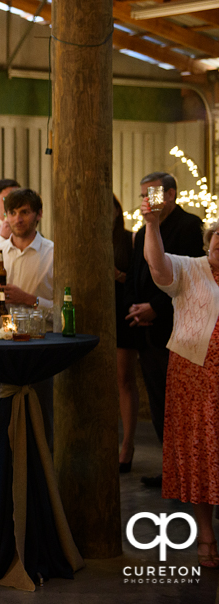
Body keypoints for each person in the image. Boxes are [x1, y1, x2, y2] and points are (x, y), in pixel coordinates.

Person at [139, 198, 219, 569]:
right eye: (217, 241)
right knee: (202, 457)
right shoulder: (191, 269)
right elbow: (157, 265)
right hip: (195, 379)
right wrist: (152, 225)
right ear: (208, 244)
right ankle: (205, 537)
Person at [124, 172, 205, 488]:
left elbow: (189, 278)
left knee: (181, 405)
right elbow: (134, 274)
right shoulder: (144, 229)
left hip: (176, 327)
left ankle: (189, 470)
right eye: (143, 195)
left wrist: (155, 307)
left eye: (153, 195)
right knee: (159, 404)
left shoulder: (190, 226)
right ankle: (170, 466)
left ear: (171, 194)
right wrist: (134, 307)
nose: (148, 201)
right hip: (146, 330)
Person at [0, 188, 54, 446]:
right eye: (13, 213)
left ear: (38, 214)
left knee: (40, 426)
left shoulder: (53, 253)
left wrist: (29, 299)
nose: (18, 219)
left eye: (25, 212)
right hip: (0, 347)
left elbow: (65, 308)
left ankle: (41, 481)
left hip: (39, 349)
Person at [113, 195, 139, 473]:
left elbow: (138, 279)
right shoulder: (85, 239)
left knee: (124, 380)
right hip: (95, 312)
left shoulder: (130, 239)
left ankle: (127, 444)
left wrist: (117, 274)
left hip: (122, 313)